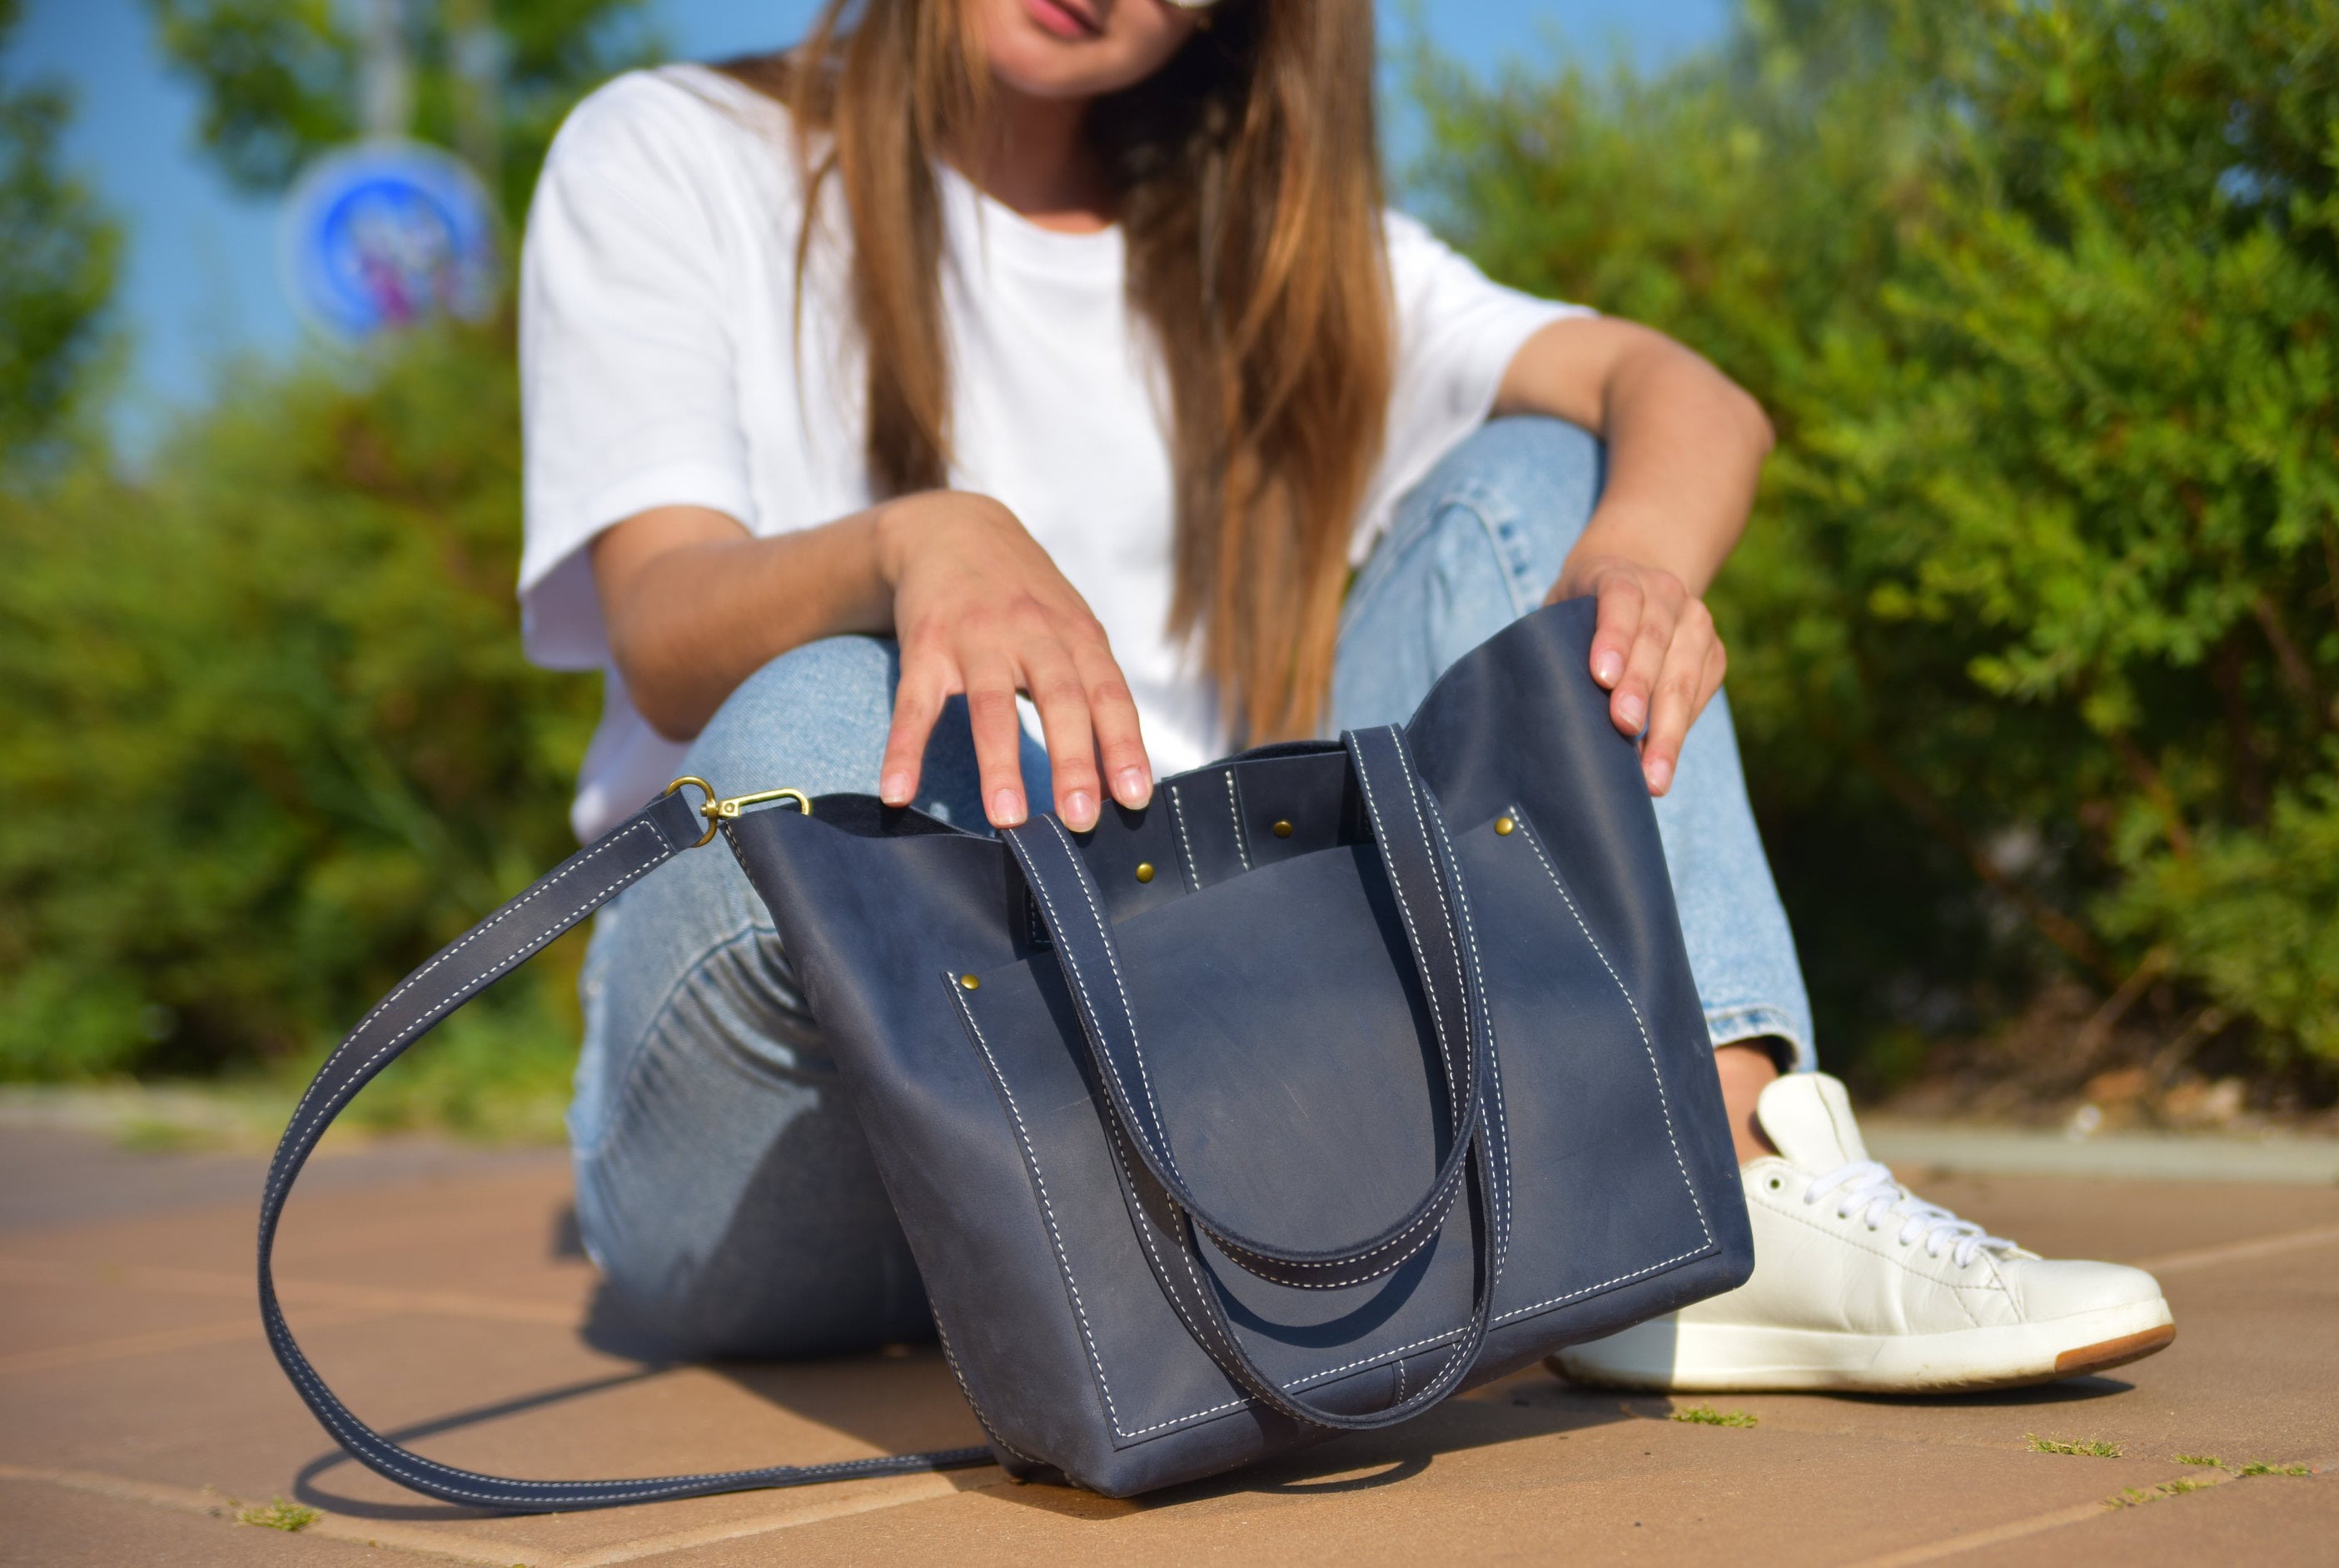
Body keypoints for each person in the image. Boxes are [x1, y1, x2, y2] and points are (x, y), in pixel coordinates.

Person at [518, 0, 2173, 1398]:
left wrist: (1628, 580)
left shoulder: (1273, 262)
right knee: (824, 702)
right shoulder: (671, 153)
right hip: (792, 1091)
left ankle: (1714, 1182)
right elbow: (665, 627)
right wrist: (918, 541)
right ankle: (1375, 1236)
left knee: (1538, 480)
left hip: (1185, 1077)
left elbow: (1684, 396)